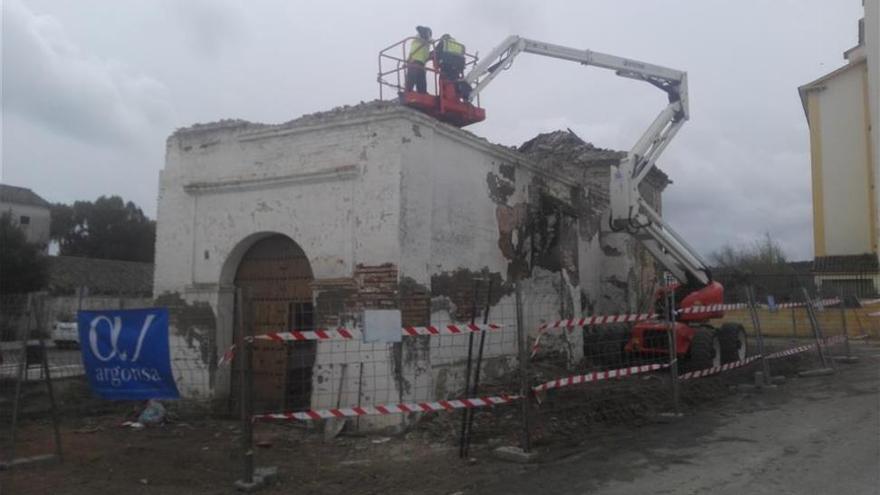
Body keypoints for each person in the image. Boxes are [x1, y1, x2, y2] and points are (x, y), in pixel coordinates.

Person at [405, 26, 432, 94]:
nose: (429, 35)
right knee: (412, 77)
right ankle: (408, 92)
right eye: (429, 33)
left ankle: (422, 93)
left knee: (421, 79)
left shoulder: (425, 41)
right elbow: (420, 29)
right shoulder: (420, 36)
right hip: (415, 60)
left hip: (421, 62)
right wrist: (427, 33)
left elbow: (425, 53)